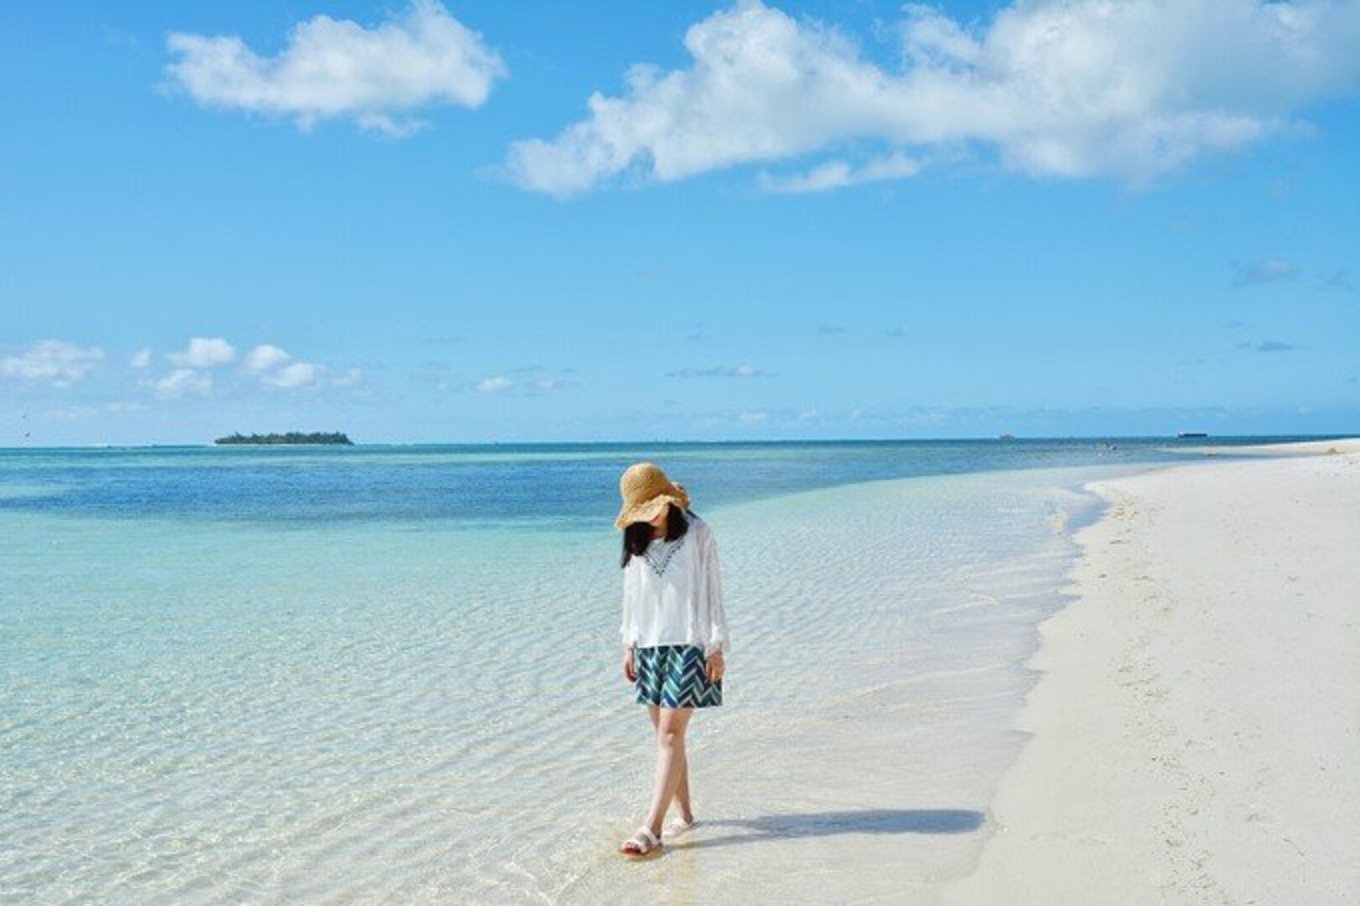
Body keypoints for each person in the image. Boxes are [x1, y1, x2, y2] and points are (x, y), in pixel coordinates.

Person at [613, 461, 729, 860]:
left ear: (667, 500)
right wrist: (629, 643)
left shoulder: (699, 533)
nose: (647, 518)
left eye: (652, 509)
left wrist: (716, 645)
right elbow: (633, 593)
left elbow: (713, 589)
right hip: (649, 647)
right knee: (667, 738)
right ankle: (686, 816)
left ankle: (652, 828)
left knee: (669, 734)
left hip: (691, 644)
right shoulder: (636, 536)